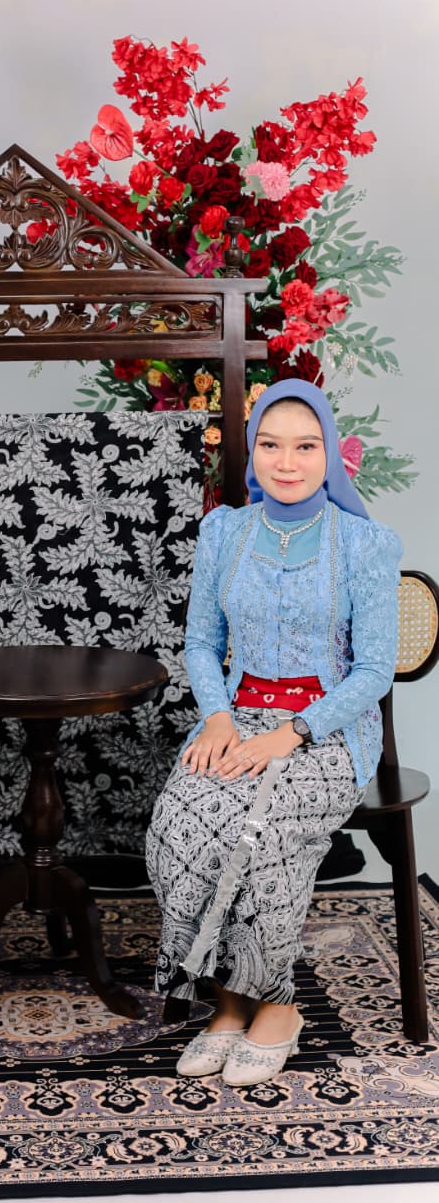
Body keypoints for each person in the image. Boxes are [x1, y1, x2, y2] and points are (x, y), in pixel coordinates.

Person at [145, 379, 401, 1086]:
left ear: (331, 454)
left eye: (305, 446)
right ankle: (228, 1003)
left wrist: (292, 733)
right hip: (235, 718)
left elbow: (374, 670)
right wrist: (218, 718)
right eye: (270, 445)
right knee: (180, 823)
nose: (286, 462)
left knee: (260, 830)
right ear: (251, 450)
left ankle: (277, 1008)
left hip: (326, 731)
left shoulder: (365, 543)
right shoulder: (224, 532)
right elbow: (201, 643)